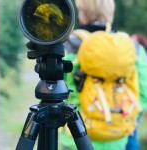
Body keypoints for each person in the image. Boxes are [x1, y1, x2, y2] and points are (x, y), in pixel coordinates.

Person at [60, 0, 147, 150]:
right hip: (118, 138)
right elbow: (144, 93)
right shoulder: (132, 47)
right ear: (110, 12)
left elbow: (52, 92)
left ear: (82, 13)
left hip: (75, 139)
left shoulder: (68, 45)